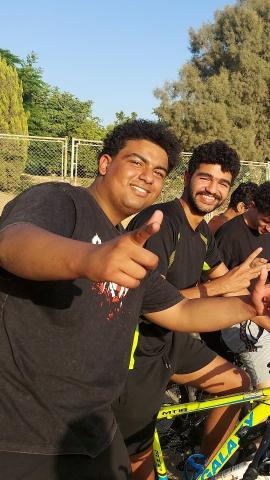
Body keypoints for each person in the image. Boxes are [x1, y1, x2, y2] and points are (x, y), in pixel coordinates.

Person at [0, 123, 269, 480]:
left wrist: (249, 307)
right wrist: (89, 259)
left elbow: (180, 309)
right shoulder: (62, 200)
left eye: (158, 171)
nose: (147, 177)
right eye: (136, 162)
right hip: (27, 437)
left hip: (95, 429)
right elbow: (13, 242)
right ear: (105, 163)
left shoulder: (127, 244)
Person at [113, 140, 270, 480]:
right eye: (205, 178)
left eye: (222, 183)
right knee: (138, 463)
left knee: (237, 383)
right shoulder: (160, 223)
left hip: (173, 342)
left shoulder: (201, 232)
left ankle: (200, 467)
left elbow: (233, 286)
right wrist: (217, 289)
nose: (212, 190)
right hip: (137, 350)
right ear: (187, 177)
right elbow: (143, 302)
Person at [215, 181, 270, 388]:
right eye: (266, 221)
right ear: (252, 206)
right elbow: (216, 286)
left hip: (261, 307)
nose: (269, 228)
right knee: (266, 392)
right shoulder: (229, 235)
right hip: (235, 316)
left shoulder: (267, 232)